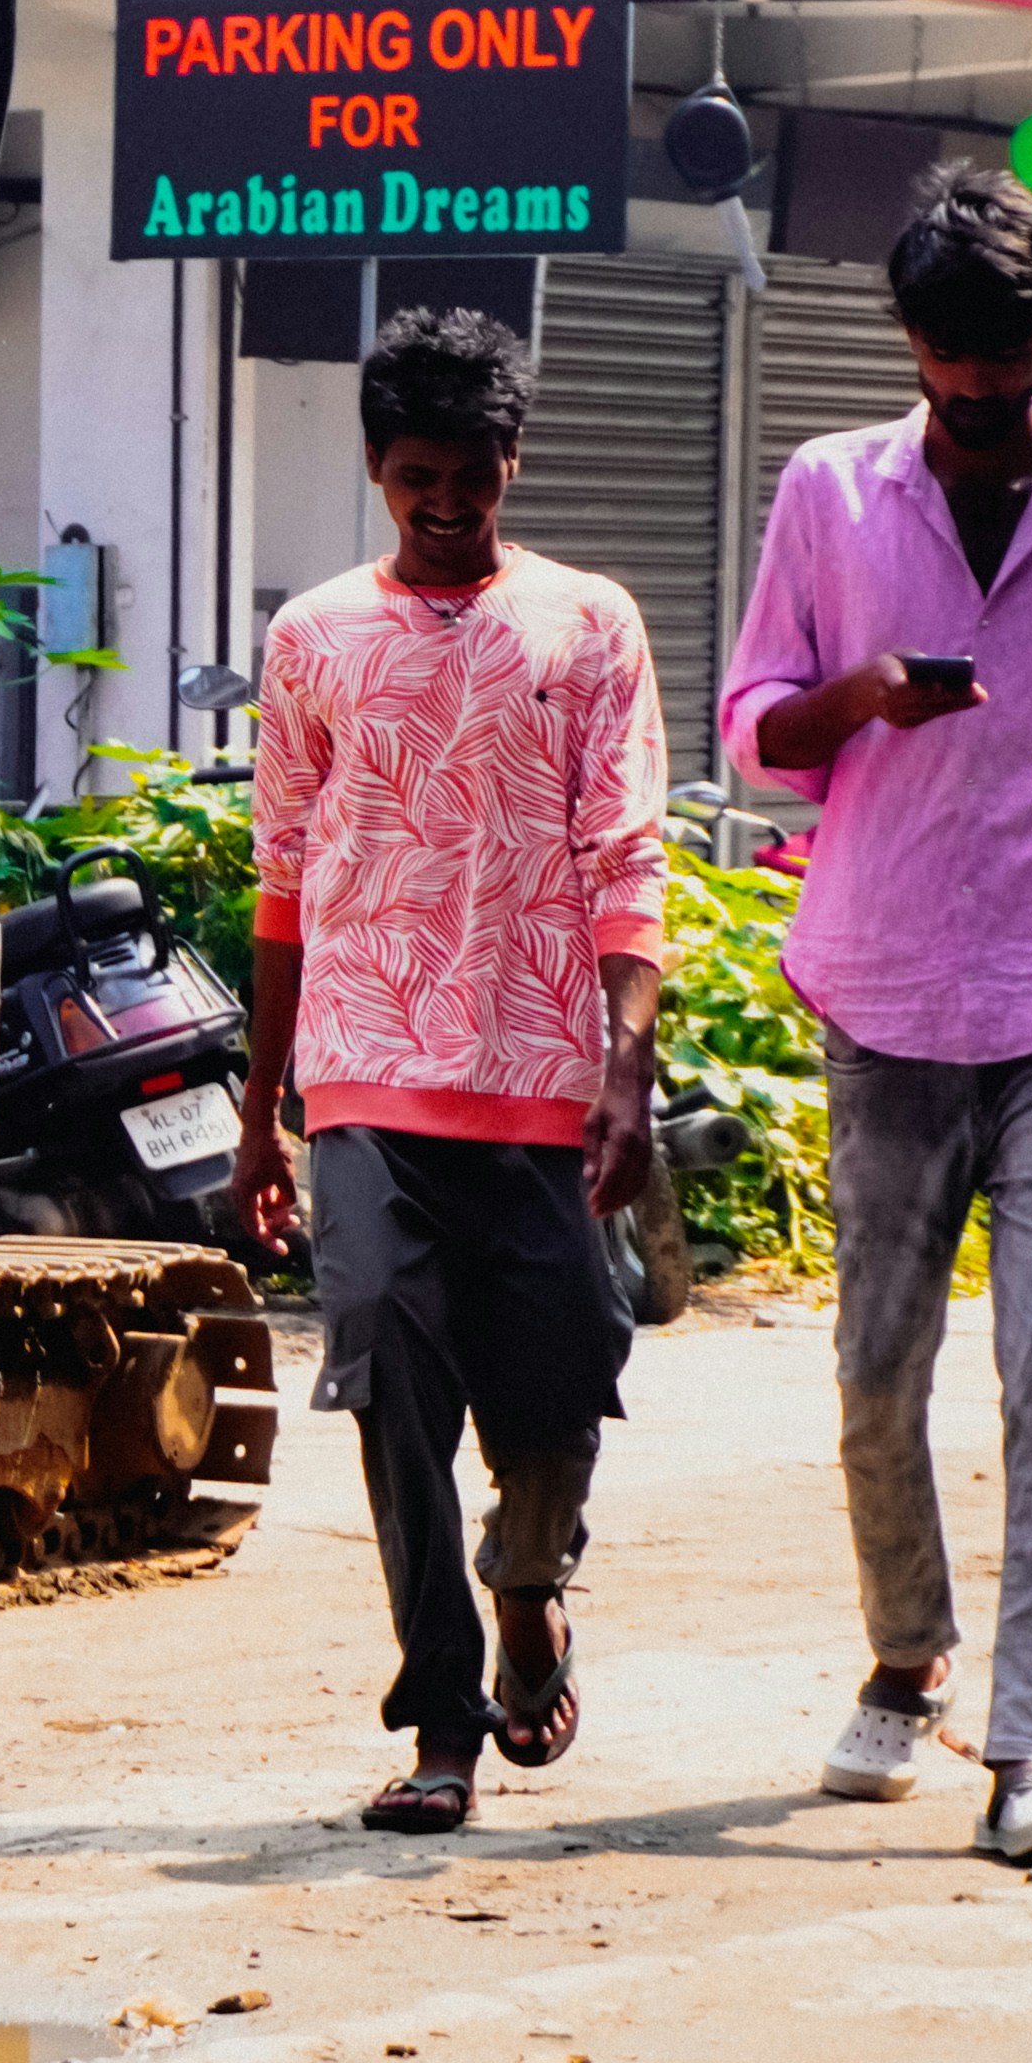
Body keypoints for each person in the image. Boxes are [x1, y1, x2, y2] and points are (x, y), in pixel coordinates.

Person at [718, 161, 1032, 1872]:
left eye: (1001, 361)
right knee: (875, 1367)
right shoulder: (827, 491)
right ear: (910, 343)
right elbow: (754, 723)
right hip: (884, 988)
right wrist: (864, 693)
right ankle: (903, 1655)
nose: (974, 395)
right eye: (945, 363)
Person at [231, 306, 669, 1837]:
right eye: (416, 473)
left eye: (469, 472)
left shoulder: (587, 623)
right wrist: (261, 1119)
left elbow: (626, 851)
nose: (443, 501)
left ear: (510, 460)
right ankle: (439, 1716)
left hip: (541, 1069)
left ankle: (527, 1586)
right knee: (382, 1359)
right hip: (363, 1066)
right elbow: (281, 876)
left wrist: (626, 1063)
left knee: (559, 1377)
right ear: (375, 465)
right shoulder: (313, 637)